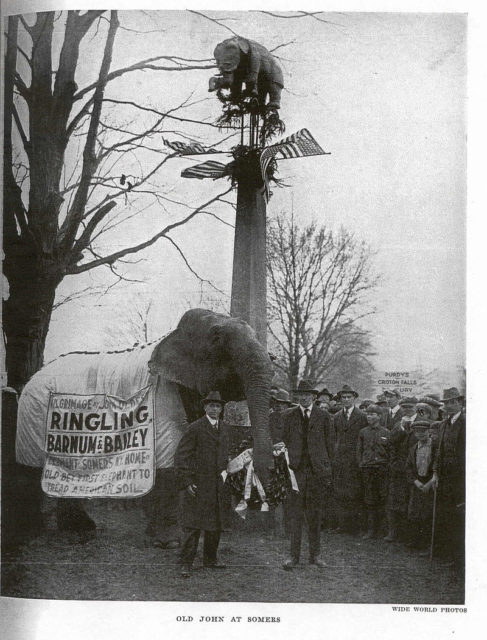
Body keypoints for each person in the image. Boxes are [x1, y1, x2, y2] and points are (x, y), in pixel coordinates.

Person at [174, 391, 232, 577]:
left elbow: (227, 454)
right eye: (211, 406)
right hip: (199, 484)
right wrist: (188, 481)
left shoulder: (225, 428)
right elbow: (182, 456)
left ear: (222, 409)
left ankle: (210, 559)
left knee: (215, 523)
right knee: (193, 525)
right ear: (205, 407)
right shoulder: (195, 428)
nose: (215, 409)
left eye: (218, 406)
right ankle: (186, 563)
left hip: (218, 485)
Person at [281, 380, 333, 570]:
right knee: (295, 515)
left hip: (316, 473)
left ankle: (315, 555)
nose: (303, 398)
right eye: (300, 395)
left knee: (315, 515)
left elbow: (329, 446)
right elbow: (283, 441)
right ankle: (293, 557)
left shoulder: (325, 417)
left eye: (307, 394)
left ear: (314, 397)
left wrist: (327, 471)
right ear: (297, 397)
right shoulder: (288, 416)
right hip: (295, 472)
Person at [431, 387, 466, 577]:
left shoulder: (466, 423)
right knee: (446, 516)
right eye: (447, 403)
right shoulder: (444, 424)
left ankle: (460, 560)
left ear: (460, 403)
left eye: (453, 402)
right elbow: (438, 451)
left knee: (459, 518)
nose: (450, 405)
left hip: (459, 479)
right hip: (444, 477)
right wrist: (435, 472)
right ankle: (450, 556)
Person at [331, 384, 368, 535]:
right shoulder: (336, 417)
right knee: (340, 492)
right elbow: (333, 438)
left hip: (355, 460)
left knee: (355, 492)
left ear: (354, 399)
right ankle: (342, 525)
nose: (346, 400)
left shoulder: (362, 416)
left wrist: (360, 459)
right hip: (339, 460)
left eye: (349, 397)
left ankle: (355, 527)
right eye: (343, 398)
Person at [384, 397, 418, 543]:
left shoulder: (422, 422)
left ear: (416, 407)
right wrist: (402, 429)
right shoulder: (399, 424)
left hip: (415, 468)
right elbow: (391, 442)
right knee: (393, 501)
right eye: (405, 407)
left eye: (410, 407)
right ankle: (393, 533)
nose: (408, 409)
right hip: (398, 468)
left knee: (410, 502)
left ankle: (407, 535)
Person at [356, 404, 390, 539]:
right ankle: (370, 530)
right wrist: (361, 464)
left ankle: (382, 530)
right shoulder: (363, 432)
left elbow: (390, 452)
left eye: (372, 414)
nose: (369, 416)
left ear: (380, 416)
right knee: (369, 500)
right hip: (367, 469)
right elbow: (358, 451)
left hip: (382, 470)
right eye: (368, 414)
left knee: (383, 499)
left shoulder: (386, 433)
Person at [405, 419, 436, 556]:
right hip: (417, 483)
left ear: (429, 432)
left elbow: (437, 467)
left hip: (431, 484)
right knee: (415, 514)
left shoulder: (435, 447)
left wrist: (429, 483)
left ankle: (428, 546)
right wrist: (416, 482)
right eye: (417, 432)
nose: (420, 434)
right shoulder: (413, 448)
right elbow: (409, 468)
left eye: (423, 431)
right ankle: (415, 542)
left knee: (428, 515)